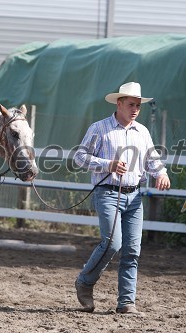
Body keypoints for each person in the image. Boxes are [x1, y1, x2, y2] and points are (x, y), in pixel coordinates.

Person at [73, 82, 170, 314]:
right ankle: (85, 283)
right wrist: (108, 164)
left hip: (134, 196)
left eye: (138, 105)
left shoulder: (143, 131)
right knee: (112, 243)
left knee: (132, 250)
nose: (135, 109)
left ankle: (126, 302)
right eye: (131, 104)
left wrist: (162, 173)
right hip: (107, 193)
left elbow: (151, 159)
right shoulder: (100, 128)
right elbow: (79, 157)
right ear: (119, 104)